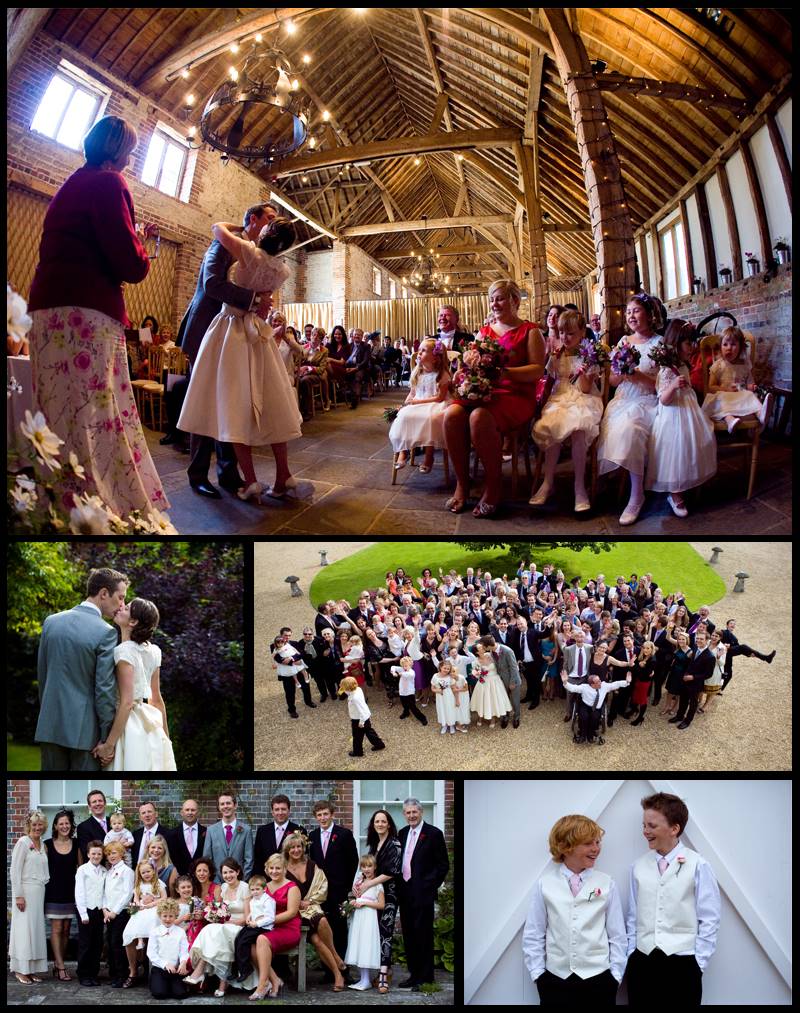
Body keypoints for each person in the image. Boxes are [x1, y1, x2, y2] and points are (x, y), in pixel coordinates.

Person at [27, 115, 170, 521]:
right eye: (131, 150)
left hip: (47, 308)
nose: (132, 158)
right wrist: (142, 245)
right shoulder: (111, 183)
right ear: (119, 150)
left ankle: (56, 499)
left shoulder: (69, 186)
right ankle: (94, 504)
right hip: (86, 311)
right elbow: (130, 264)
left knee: (58, 411)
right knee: (95, 411)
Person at [177, 216, 303, 502]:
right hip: (208, 328)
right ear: (255, 219)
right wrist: (255, 301)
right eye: (268, 216)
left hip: (239, 332)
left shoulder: (248, 249)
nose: (270, 222)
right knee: (207, 399)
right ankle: (198, 474)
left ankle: (229, 473)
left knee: (232, 400)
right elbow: (212, 284)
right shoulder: (223, 248)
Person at [443, 279, 546, 517]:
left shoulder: (530, 332)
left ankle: (494, 486)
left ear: (515, 300)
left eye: (500, 298)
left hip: (515, 394)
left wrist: (504, 373)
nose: (494, 304)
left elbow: (537, 370)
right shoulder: (484, 332)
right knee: (452, 414)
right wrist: (463, 371)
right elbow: (474, 363)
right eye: (492, 299)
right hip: (485, 392)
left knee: (479, 417)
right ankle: (463, 484)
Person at [626, 792, 720, 1006]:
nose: (645, 831)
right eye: (644, 825)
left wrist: (698, 963)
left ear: (674, 828)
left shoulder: (698, 865)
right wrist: (631, 955)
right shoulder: (637, 867)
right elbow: (633, 916)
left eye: (652, 826)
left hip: (683, 965)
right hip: (642, 963)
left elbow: (710, 919)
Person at [522, 814, 626, 1005]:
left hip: (600, 981)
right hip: (555, 982)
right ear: (565, 847)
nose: (596, 848)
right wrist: (539, 976)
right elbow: (533, 934)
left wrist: (615, 978)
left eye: (597, 842)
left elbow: (617, 935)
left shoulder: (607, 883)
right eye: (588, 843)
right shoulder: (545, 885)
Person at [35, 567, 126, 771]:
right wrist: (106, 739)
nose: (122, 605)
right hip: (86, 735)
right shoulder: (107, 632)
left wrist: (48, 714)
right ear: (104, 593)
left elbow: (43, 676)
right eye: (120, 598)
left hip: (49, 726)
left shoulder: (51, 622)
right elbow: (104, 690)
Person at [597, 292, 662, 525]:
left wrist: (636, 375)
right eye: (628, 312)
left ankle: (637, 496)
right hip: (624, 399)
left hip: (648, 399)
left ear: (649, 314)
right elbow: (613, 382)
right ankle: (625, 486)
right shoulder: (623, 342)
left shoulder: (659, 344)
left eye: (636, 310)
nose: (631, 316)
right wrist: (622, 373)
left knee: (633, 426)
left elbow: (660, 386)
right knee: (621, 424)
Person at [530, 309, 603, 513]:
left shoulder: (588, 355)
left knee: (579, 426)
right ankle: (548, 481)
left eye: (570, 333)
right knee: (552, 423)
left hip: (583, 397)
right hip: (560, 397)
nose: (565, 337)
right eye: (562, 332)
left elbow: (587, 389)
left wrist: (586, 370)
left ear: (582, 333)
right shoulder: (556, 355)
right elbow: (550, 381)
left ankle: (579, 486)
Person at [646, 319, 717, 518]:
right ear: (675, 343)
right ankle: (675, 493)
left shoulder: (683, 365)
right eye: (688, 344)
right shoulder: (667, 370)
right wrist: (674, 385)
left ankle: (690, 481)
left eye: (693, 343)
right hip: (672, 415)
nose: (692, 347)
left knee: (694, 445)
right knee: (676, 451)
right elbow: (664, 399)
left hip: (689, 410)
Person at [96, 598, 176, 771]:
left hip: (127, 725)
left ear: (133, 622)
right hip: (148, 724)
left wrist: (109, 745)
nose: (121, 607)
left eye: (127, 608)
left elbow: (126, 702)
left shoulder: (123, 651)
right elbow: (156, 699)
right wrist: (165, 739)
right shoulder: (154, 651)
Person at [283, 832, 347, 991]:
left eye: (299, 846)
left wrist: (310, 901)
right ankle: (338, 973)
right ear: (287, 850)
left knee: (322, 920)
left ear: (303, 848)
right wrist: (296, 903)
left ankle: (335, 958)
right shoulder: (282, 868)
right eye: (292, 847)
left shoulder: (312, 865)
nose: (296, 850)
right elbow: (279, 891)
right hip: (293, 913)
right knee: (317, 941)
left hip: (311, 908)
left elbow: (322, 886)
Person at [396, 799, 449, 991]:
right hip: (405, 892)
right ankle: (414, 975)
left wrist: (428, 886)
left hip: (423, 894)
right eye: (408, 812)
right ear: (404, 814)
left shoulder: (433, 834)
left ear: (421, 812)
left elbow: (443, 865)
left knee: (423, 935)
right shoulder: (402, 833)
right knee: (409, 935)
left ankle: (426, 977)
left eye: (414, 812)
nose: (411, 815)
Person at [186, 857, 250, 996]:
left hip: (239, 926)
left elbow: (247, 918)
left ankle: (200, 973)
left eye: (231, 872)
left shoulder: (245, 887)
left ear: (238, 871)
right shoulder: (224, 887)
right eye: (225, 873)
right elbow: (219, 909)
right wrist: (217, 916)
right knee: (212, 930)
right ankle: (220, 982)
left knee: (216, 931)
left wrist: (228, 922)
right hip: (224, 926)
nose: (228, 876)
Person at [389, 337, 450, 472]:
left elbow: (440, 398)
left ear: (435, 358)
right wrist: (407, 402)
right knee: (404, 416)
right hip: (417, 403)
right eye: (419, 350)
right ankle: (403, 452)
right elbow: (412, 393)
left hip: (435, 404)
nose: (419, 352)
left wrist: (417, 401)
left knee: (430, 418)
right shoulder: (418, 373)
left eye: (423, 350)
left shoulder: (442, 375)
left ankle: (429, 456)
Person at [248, 853, 302, 1000]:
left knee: (261, 940)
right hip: (267, 928)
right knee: (250, 945)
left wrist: (266, 921)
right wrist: (251, 917)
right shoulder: (264, 887)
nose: (274, 871)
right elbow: (256, 906)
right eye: (271, 868)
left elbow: (291, 913)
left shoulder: (292, 888)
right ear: (267, 869)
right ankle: (275, 980)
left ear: (284, 869)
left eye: (278, 868)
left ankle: (262, 984)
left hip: (288, 928)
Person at [701, 325, 772, 432]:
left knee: (749, 394)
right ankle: (730, 420)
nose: (729, 347)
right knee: (721, 399)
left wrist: (751, 387)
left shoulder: (744, 365)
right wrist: (726, 390)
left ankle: (760, 414)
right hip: (725, 397)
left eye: (733, 344)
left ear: (741, 348)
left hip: (740, 398)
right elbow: (711, 387)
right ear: (720, 347)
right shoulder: (718, 365)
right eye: (725, 344)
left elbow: (749, 383)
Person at [10, 810, 50, 984]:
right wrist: (18, 896)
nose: (37, 827)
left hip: (38, 892)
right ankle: (20, 970)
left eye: (40, 824)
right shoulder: (23, 843)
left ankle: (32, 970)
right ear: (28, 826)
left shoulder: (42, 844)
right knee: (23, 931)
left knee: (35, 930)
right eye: (34, 824)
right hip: (24, 892)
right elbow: (14, 871)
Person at [45, 808, 82, 981]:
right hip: (53, 892)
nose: (64, 826)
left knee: (67, 929)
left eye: (67, 823)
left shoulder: (77, 844)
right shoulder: (47, 844)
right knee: (57, 927)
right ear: (55, 826)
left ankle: (57, 964)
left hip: (71, 892)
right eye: (61, 823)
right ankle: (60, 966)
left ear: (71, 825)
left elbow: (81, 871)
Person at [345, 854, 385, 991]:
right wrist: (354, 901)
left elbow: (381, 905)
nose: (366, 869)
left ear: (375, 867)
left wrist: (365, 903)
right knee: (359, 946)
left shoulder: (377, 885)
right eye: (364, 866)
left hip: (369, 918)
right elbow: (358, 898)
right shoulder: (360, 883)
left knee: (366, 946)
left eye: (369, 866)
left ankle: (367, 980)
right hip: (359, 918)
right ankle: (363, 979)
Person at [561, 671, 632, 744]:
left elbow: (615, 684)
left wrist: (626, 682)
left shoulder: (604, 686)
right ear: (592, 684)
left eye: (600, 680)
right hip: (585, 705)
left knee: (595, 717)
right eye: (598, 682)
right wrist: (565, 682)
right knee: (584, 716)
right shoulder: (584, 687)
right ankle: (583, 734)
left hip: (597, 707)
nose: (600, 682)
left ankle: (590, 735)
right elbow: (573, 688)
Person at [231, 874, 276, 985]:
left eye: (257, 889)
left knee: (244, 941)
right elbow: (254, 911)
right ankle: (236, 970)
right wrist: (249, 917)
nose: (255, 892)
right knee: (237, 939)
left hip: (264, 928)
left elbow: (271, 918)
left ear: (264, 889)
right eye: (252, 890)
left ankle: (246, 969)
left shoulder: (268, 901)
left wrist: (257, 923)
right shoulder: (253, 900)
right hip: (253, 925)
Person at [102, 840, 136, 988]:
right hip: (108, 913)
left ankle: (122, 975)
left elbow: (127, 893)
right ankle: (114, 974)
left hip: (120, 913)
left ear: (122, 854)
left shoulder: (127, 871)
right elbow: (105, 892)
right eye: (108, 854)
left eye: (114, 852)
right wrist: (105, 909)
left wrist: (115, 911)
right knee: (110, 944)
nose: (111, 856)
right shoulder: (109, 871)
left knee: (118, 944)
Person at [122, 859, 167, 966]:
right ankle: (140, 939)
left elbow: (164, 897)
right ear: (140, 874)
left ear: (153, 871)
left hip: (154, 908)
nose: (146, 874)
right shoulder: (139, 885)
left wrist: (152, 904)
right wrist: (139, 904)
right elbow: (136, 899)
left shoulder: (158, 883)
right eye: (143, 872)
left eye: (148, 871)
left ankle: (146, 943)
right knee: (138, 918)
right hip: (142, 908)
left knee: (151, 919)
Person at [253, 795, 306, 885]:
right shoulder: (262, 831)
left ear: (289, 811)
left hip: (291, 882)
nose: (280, 812)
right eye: (277, 809)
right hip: (267, 882)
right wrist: (258, 882)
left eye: (283, 809)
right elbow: (258, 860)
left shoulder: (299, 831)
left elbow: (303, 859)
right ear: (272, 812)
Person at [669, 629, 715, 729]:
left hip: (696, 684)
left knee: (693, 703)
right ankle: (679, 716)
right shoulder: (695, 649)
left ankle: (687, 721)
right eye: (697, 638)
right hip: (686, 681)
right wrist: (686, 674)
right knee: (683, 699)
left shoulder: (710, 656)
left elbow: (708, 674)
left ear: (707, 640)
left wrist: (693, 677)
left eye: (701, 639)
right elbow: (690, 664)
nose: (698, 640)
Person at [203, 792, 254, 883]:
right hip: (217, 883)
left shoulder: (246, 830)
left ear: (235, 805)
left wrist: (241, 882)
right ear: (219, 807)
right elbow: (207, 860)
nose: (225, 806)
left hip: (239, 884)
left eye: (228, 803)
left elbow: (249, 860)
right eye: (222, 804)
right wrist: (216, 882)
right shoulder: (211, 831)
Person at [75, 840, 107, 987]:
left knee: (97, 943)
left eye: (99, 853)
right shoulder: (82, 870)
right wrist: (83, 914)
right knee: (85, 944)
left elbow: (105, 892)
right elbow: (79, 892)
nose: (96, 856)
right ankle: (83, 974)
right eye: (93, 853)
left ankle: (94, 974)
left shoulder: (104, 871)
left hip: (99, 910)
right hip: (86, 910)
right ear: (88, 854)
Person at [147, 898, 190, 1000]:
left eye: (171, 916)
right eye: (165, 916)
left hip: (175, 970)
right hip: (160, 969)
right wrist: (165, 964)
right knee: (159, 994)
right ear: (160, 916)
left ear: (176, 916)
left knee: (180, 995)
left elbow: (184, 951)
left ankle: (173, 985)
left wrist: (183, 963)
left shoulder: (180, 932)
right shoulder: (154, 932)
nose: (168, 919)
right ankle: (158, 983)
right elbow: (151, 953)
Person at [719, 618, 775, 692]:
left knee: (729, 675)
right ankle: (765, 658)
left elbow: (738, 649)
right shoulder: (723, 632)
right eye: (731, 623)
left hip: (728, 656)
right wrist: (724, 645)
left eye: (734, 624)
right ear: (727, 625)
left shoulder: (735, 639)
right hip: (722, 652)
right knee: (743, 646)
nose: (733, 625)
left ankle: (719, 690)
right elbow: (717, 639)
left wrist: (749, 654)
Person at [467, 640, 512, 729]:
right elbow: (476, 673)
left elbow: (500, 664)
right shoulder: (476, 661)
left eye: (482, 646)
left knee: (493, 700)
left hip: (495, 681)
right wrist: (478, 674)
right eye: (480, 648)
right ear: (477, 652)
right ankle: (480, 717)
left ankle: (493, 719)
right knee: (482, 700)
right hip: (483, 682)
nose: (483, 648)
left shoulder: (491, 655)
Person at [339, 675, 386, 757]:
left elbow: (362, 710)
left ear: (348, 689)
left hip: (359, 720)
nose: (343, 690)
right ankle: (379, 744)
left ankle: (358, 752)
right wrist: (341, 689)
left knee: (357, 736)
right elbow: (342, 693)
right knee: (369, 732)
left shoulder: (354, 698)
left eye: (344, 688)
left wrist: (361, 722)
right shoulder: (358, 689)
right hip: (365, 718)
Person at [185, 857, 221, 951]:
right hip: (194, 924)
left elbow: (219, 912)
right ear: (195, 873)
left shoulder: (216, 888)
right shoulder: (193, 888)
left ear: (210, 873)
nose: (201, 873)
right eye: (199, 871)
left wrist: (204, 915)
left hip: (211, 925)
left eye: (205, 871)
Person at [166, 799, 207, 877]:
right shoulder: (171, 834)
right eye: (187, 810)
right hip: (179, 881)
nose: (190, 812)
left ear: (198, 813)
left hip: (201, 879)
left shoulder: (207, 832)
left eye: (193, 810)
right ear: (182, 812)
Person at [391, 655, 429, 725]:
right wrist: (393, 672)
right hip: (402, 692)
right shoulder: (402, 669)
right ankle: (406, 713)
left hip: (409, 693)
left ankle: (422, 718)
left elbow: (407, 675)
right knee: (404, 705)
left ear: (411, 665)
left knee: (413, 707)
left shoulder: (412, 672)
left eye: (406, 665)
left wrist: (399, 674)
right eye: (403, 665)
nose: (405, 667)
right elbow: (393, 667)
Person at [132, 802, 171, 866]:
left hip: (160, 873)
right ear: (140, 817)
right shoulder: (135, 835)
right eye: (143, 813)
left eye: (149, 811)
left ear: (156, 814)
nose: (147, 815)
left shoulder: (167, 834)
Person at [77, 789, 112, 860]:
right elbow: (86, 852)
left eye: (100, 801)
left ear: (105, 803)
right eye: (94, 802)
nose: (97, 804)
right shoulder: (83, 827)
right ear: (89, 806)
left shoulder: (114, 822)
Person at [628, 641, 657, 726]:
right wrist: (637, 666)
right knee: (635, 696)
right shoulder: (642, 655)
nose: (645, 650)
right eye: (644, 647)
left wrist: (634, 666)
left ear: (652, 649)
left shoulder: (653, 660)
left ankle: (641, 717)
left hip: (644, 683)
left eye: (648, 648)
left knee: (642, 700)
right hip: (638, 680)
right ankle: (634, 710)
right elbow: (638, 671)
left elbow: (644, 674)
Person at [344, 327, 373, 407]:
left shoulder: (366, 346)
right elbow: (345, 358)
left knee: (357, 376)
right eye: (355, 334)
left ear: (362, 336)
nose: (357, 336)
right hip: (349, 366)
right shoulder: (349, 346)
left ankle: (355, 398)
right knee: (343, 375)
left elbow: (365, 361)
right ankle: (349, 395)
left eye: (359, 335)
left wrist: (356, 368)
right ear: (352, 336)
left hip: (361, 367)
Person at [431, 657, 459, 735]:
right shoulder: (435, 676)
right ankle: (444, 725)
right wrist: (438, 690)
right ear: (440, 667)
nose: (446, 670)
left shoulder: (450, 677)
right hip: (440, 697)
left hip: (449, 696)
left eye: (448, 669)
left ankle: (451, 725)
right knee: (442, 709)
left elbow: (454, 689)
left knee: (450, 709)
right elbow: (432, 688)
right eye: (445, 668)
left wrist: (457, 700)